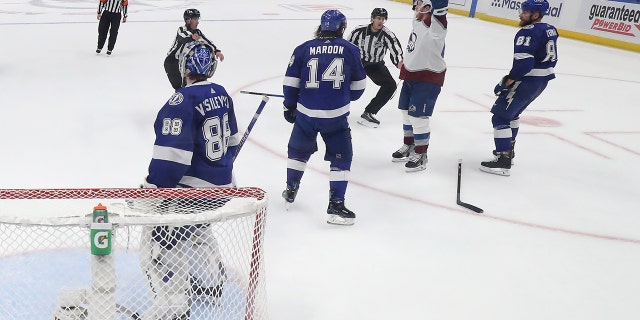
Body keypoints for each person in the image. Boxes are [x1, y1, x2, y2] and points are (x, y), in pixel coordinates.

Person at [141, 41, 239, 319]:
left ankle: (172, 307)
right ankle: (210, 283)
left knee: (158, 240)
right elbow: (231, 141)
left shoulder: (181, 100)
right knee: (197, 230)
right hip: (223, 186)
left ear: (185, 67)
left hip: (192, 193)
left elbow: (172, 156)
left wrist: (154, 191)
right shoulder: (221, 94)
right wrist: (219, 170)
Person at [281, 10, 367, 226]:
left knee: (298, 151)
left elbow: (290, 84)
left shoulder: (303, 49)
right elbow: (359, 88)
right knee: (342, 158)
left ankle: (291, 189)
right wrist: (344, 94)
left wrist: (290, 106)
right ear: (342, 27)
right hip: (335, 117)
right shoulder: (350, 49)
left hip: (306, 114)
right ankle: (336, 205)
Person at [480, 0, 558, 176]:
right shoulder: (550, 29)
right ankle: (509, 151)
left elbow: (524, 65)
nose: (520, 14)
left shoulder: (527, 32)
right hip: (541, 81)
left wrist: (509, 79)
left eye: (525, 12)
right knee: (513, 114)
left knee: (500, 117)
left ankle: (503, 159)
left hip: (527, 81)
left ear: (535, 15)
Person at [392, 0, 449, 172]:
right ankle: (409, 145)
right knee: (405, 112)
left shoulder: (435, 26)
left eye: (419, 4)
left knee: (418, 118)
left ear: (428, 7)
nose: (415, 6)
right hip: (411, 74)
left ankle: (421, 154)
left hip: (428, 77)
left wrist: (437, 5)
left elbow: (440, 14)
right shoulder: (418, 21)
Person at [347, 8, 404, 128]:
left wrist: (400, 63)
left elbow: (395, 49)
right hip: (358, 64)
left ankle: (369, 112)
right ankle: (335, 109)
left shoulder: (387, 34)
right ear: (372, 18)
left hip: (375, 65)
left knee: (390, 85)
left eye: (383, 19)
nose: (381, 21)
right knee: (342, 84)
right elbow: (347, 46)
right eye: (378, 18)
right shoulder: (359, 31)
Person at [164, 8, 225, 91]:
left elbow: (207, 41)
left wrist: (217, 51)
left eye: (198, 19)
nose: (197, 21)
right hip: (172, 62)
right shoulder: (181, 29)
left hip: (183, 62)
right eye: (195, 19)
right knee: (180, 88)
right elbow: (183, 36)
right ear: (188, 20)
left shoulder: (197, 32)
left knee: (189, 86)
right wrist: (191, 36)